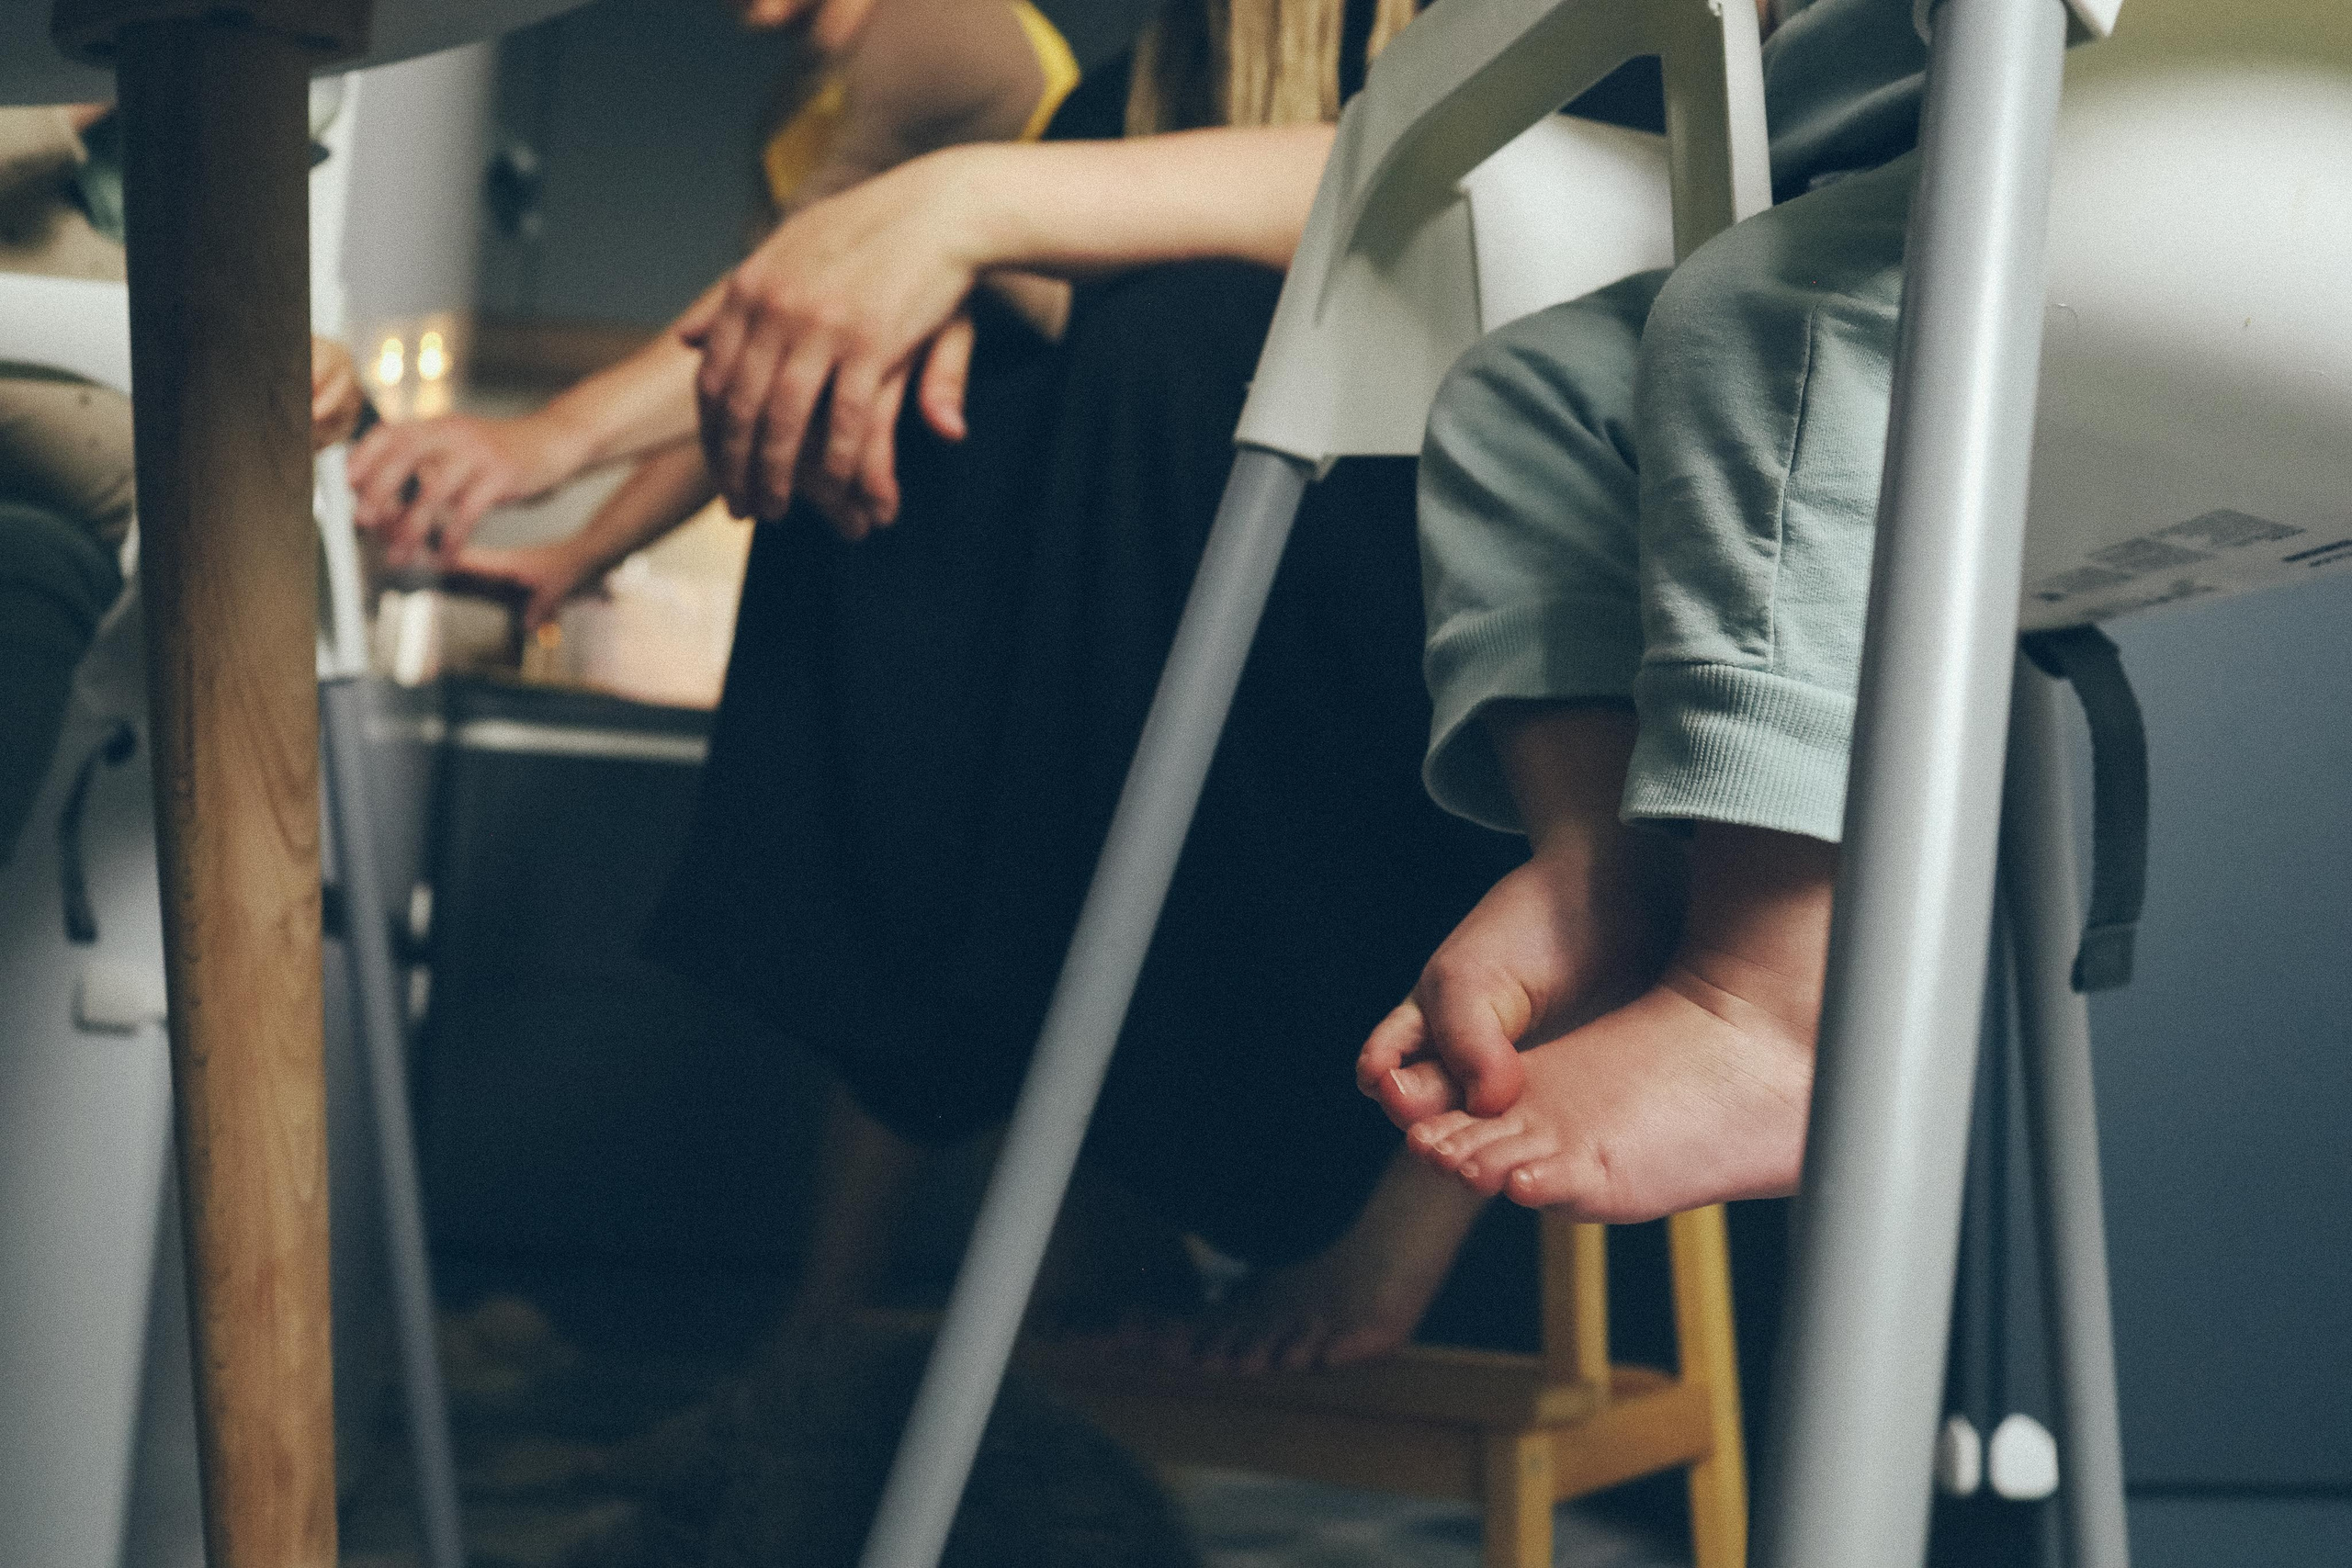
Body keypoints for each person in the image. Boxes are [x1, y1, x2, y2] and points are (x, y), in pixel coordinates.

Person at [1351, 0, 1936, 1222]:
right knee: (1532, 399)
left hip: (2146, 154)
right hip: (1877, 179)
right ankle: (1610, 865)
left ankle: (1779, 1010)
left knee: (1764, 311)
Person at [346, 0, 1081, 621]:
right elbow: (747, 366)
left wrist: (544, 440)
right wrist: (580, 555)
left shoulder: (937, 26)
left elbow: (801, 300)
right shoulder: (801, 107)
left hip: (1011, 509)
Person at [0, 104, 361, 866]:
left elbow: (232, 316)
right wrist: (86, 87)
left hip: (97, 544)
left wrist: (313, 365)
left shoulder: (118, 193)